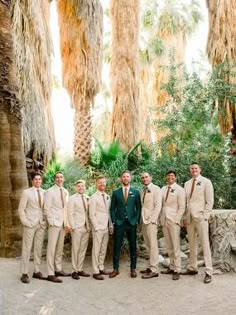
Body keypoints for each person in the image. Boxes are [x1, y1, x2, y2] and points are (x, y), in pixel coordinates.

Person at [182, 163, 214, 284]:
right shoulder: (187, 183)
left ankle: (209, 271)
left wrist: (205, 216)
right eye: (192, 168)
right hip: (189, 218)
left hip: (201, 218)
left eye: (196, 168)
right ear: (190, 170)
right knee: (192, 244)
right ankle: (192, 267)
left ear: (200, 169)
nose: (194, 170)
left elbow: (209, 201)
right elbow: (186, 202)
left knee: (205, 245)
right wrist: (185, 217)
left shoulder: (206, 182)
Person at [109, 170, 141, 278]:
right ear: (121, 178)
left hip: (131, 223)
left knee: (133, 246)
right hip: (119, 223)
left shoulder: (135, 192)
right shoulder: (116, 192)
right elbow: (112, 209)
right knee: (117, 246)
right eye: (124, 176)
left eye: (127, 176)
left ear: (130, 178)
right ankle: (115, 269)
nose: (126, 178)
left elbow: (139, 208)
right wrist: (114, 221)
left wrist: (136, 219)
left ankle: (133, 269)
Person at [18, 172, 47, 283]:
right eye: (36, 179)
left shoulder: (45, 193)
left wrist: (44, 221)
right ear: (32, 181)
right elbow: (21, 209)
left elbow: (45, 208)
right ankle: (24, 273)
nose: (38, 181)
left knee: (38, 248)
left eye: (39, 179)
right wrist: (25, 222)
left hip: (41, 224)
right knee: (27, 248)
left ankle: (36, 271)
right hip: (30, 224)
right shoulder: (26, 193)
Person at [44, 171, 70, 283]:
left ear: (63, 179)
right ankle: (50, 273)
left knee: (59, 248)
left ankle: (58, 269)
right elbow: (46, 208)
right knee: (51, 248)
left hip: (63, 224)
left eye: (61, 177)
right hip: (54, 223)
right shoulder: (50, 191)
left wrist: (67, 223)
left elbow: (66, 209)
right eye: (57, 177)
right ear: (55, 179)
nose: (59, 179)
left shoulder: (65, 191)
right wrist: (51, 222)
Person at [160, 170, 185, 280]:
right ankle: (171, 266)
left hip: (174, 220)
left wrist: (177, 220)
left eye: (172, 175)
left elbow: (182, 206)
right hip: (164, 220)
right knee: (169, 246)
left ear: (175, 177)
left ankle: (177, 269)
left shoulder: (180, 190)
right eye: (168, 175)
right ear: (166, 177)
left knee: (175, 246)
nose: (170, 177)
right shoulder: (163, 189)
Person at [89, 176, 113, 280]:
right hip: (98, 227)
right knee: (96, 249)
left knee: (103, 248)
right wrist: (96, 227)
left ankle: (101, 267)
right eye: (100, 182)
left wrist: (111, 225)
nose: (102, 184)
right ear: (96, 184)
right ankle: (95, 271)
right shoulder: (93, 197)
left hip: (106, 227)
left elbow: (109, 213)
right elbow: (91, 214)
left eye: (104, 182)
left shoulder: (108, 196)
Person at [140, 172, 162, 279]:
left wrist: (153, 220)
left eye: (146, 177)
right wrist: (141, 222)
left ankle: (154, 269)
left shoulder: (156, 189)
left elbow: (158, 205)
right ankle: (150, 266)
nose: (144, 179)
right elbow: (143, 207)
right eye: (143, 177)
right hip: (144, 221)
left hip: (151, 221)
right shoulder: (143, 190)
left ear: (151, 177)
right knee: (148, 245)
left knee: (153, 245)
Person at [67, 180, 90, 280]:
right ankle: (74, 270)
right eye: (79, 186)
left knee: (82, 249)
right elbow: (70, 213)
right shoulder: (72, 199)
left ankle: (80, 269)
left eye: (82, 186)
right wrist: (73, 226)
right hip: (76, 227)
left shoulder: (88, 198)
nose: (81, 188)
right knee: (75, 249)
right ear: (76, 188)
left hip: (86, 227)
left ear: (85, 187)